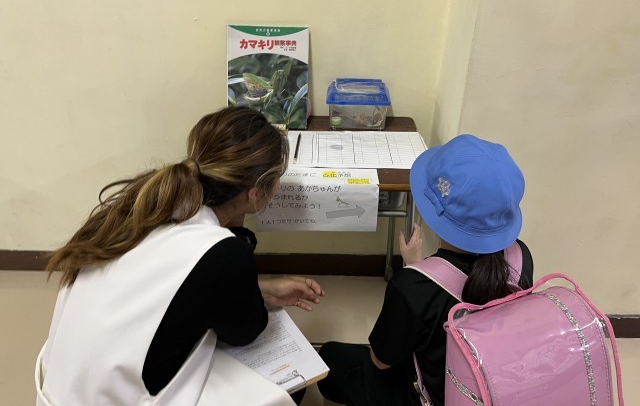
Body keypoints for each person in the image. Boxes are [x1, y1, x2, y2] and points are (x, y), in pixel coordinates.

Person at [35, 106, 325, 406]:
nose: (279, 186)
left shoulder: (142, 204)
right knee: (288, 386)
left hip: (62, 388)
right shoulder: (224, 253)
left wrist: (260, 290)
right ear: (254, 193)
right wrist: (239, 235)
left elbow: (172, 291)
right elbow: (244, 331)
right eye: (277, 178)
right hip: (123, 398)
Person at [317, 134, 534, 406]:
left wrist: (416, 271)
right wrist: (421, 271)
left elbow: (381, 361)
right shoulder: (520, 257)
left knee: (330, 357)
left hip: (426, 396)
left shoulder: (411, 287)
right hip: (491, 389)